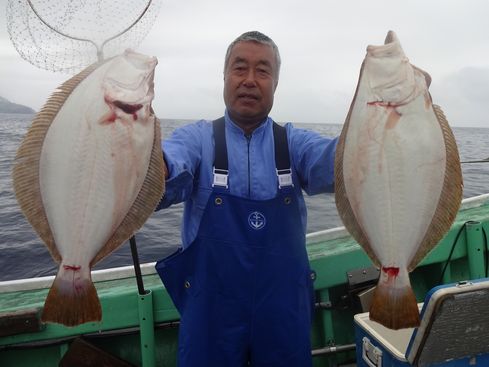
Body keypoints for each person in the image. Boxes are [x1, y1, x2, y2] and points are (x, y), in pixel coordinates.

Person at [155, 31, 338, 367]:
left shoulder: (293, 143)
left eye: (263, 71)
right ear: (225, 77)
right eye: (240, 69)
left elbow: (338, 161)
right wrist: (151, 164)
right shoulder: (197, 139)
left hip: (283, 312)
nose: (250, 80)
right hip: (211, 314)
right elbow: (166, 169)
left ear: (276, 83)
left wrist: (390, 115)